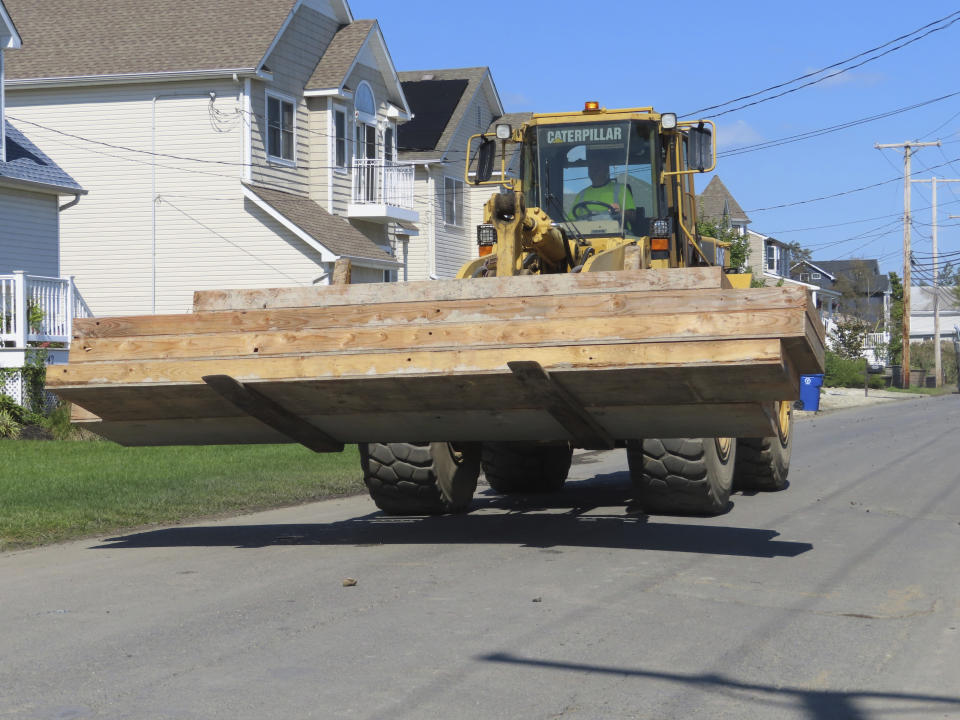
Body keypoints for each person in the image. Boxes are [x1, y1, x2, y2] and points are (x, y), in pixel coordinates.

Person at [570, 154, 636, 221]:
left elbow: (632, 215)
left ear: (606, 169)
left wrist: (620, 212)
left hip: (617, 231)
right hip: (582, 231)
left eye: (598, 166)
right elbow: (570, 221)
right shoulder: (581, 194)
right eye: (591, 167)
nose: (595, 169)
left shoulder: (621, 189)